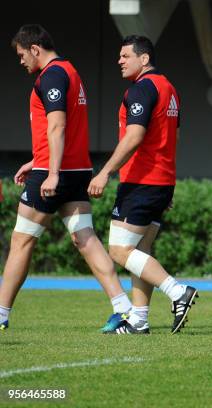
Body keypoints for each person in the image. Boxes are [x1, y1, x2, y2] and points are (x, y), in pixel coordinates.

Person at [0, 24, 132, 332]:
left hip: (54, 174)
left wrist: (50, 172)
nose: (21, 62)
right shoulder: (70, 71)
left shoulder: (52, 75)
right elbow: (65, 130)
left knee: (21, 240)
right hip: (75, 170)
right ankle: (123, 307)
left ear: (35, 49)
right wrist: (35, 161)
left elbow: (57, 126)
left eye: (22, 55)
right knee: (85, 239)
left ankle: (2, 313)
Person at [88, 35, 197, 335]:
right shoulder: (168, 88)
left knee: (120, 251)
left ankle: (178, 292)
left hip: (141, 181)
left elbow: (135, 136)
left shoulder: (142, 88)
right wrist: (166, 185)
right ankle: (139, 320)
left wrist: (105, 172)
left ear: (144, 59)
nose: (119, 61)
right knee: (141, 250)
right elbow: (171, 137)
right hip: (159, 181)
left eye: (125, 56)